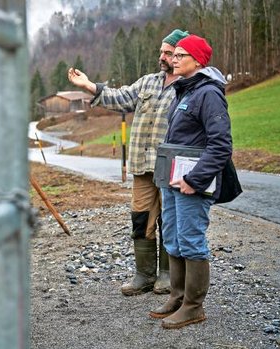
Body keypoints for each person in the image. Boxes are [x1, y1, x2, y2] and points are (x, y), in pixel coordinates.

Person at [67, 29, 189, 296]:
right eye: (161, 51)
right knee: (141, 218)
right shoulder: (147, 82)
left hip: (171, 169)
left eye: (168, 53)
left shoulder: (190, 85)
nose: (163, 57)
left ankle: (168, 275)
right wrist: (89, 86)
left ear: (182, 55)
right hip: (142, 166)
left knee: (171, 221)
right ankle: (144, 275)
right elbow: (120, 97)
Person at [148, 34, 232, 329]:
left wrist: (195, 179)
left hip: (191, 182)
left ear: (197, 60)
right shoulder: (185, 90)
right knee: (172, 236)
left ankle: (194, 307)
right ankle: (178, 296)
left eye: (180, 55)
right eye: (174, 55)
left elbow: (221, 144)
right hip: (172, 180)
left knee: (191, 239)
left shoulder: (208, 93)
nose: (173, 59)